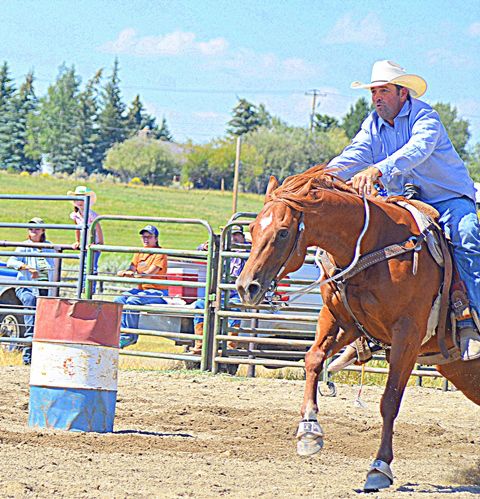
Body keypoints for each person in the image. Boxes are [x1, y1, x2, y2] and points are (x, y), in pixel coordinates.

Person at [327, 59, 480, 362]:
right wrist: (325, 176)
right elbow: (355, 153)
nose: (377, 98)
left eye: (383, 90)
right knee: (368, 241)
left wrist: (377, 170)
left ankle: (472, 319)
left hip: (445, 198)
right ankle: (367, 329)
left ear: (402, 93)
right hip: (402, 201)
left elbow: (417, 151)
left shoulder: (427, 118)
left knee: (467, 235)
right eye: (373, 92)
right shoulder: (373, 124)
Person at [192, 225, 249, 354]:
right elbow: (199, 250)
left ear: (242, 237)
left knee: (235, 306)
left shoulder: (248, 250)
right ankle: (199, 344)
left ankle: (230, 345)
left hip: (238, 293)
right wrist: (206, 246)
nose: (233, 238)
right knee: (200, 304)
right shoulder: (221, 248)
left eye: (236, 235)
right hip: (220, 292)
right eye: (231, 235)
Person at [7, 217, 55, 365]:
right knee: (31, 306)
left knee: (44, 319)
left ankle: (40, 359)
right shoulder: (24, 246)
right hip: (27, 286)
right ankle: (27, 358)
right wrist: (27, 267)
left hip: (44, 288)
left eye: (36, 228)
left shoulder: (49, 246)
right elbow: (11, 261)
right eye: (31, 228)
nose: (33, 231)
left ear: (43, 231)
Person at [114, 225, 168, 349]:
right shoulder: (139, 252)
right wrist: (127, 272)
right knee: (119, 300)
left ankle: (131, 336)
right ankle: (121, 333)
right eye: (144, 237)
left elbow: (149, 274)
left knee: (133, 300)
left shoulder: (160, 253)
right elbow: (132, 268)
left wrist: (133, 275)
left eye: (149, 237)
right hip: (142, 290)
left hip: (157, 291)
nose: (146, 239)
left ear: (156, 238)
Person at [67, 186, 104, 293]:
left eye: (82, 198)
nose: (79, 201)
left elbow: (97, 228)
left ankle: (90, 289)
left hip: (93, 244)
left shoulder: (91, 214)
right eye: (77, 199)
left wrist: (100, 243)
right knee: (84, 265)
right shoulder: (76, 215)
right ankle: (83, 287)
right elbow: (77, 229)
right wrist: (78, 241)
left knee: (92, 266)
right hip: (85, 244)